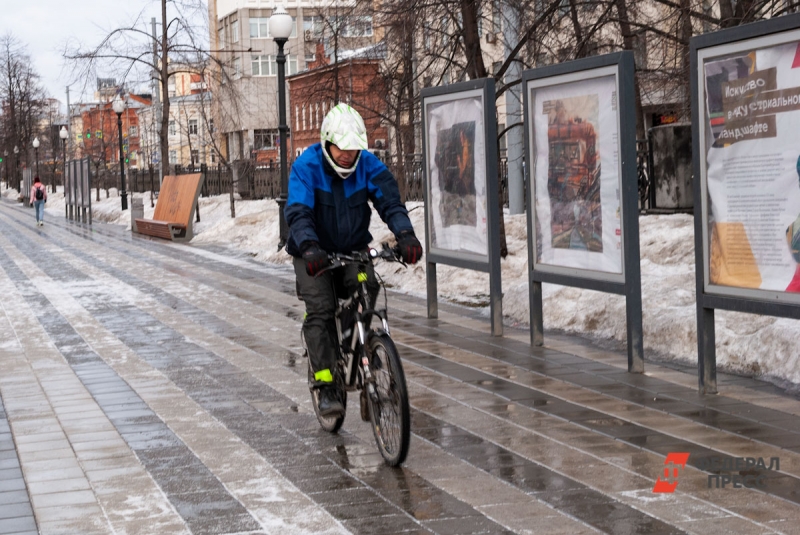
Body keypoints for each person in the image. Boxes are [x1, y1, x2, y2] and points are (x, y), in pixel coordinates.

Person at [286, 103, 423, 417]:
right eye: (341, 149)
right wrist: (309, 247)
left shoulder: (368, 165)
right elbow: (299, 213)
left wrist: (406, 235)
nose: (348, 156)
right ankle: (325, 385)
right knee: (320, 311)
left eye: (353, 150)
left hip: (352, 249)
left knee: (367, 287)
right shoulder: (307, 167)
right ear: (327, 143)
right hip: (313, 252)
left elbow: (390, 202)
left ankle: (361, 352)